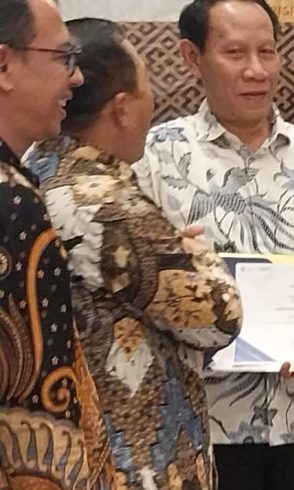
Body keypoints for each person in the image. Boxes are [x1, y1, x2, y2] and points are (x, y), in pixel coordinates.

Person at [133, 0, 294, 488]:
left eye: (267, 51)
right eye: (235, 53)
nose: (257, 70)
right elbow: (136, 289)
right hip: (203, 430)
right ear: (192, 58)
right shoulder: (155, 156)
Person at [27, 18, 243, 489]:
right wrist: (199, 254)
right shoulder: (103, 202)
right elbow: (220, 316)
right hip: (132, 459)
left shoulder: (35, 171)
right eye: (148, 85)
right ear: (122, 108)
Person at [0, 1, 114, 488]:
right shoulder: (13, 204)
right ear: (4, 65)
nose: (76, 78)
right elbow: (37, 402)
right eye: (62, 57)